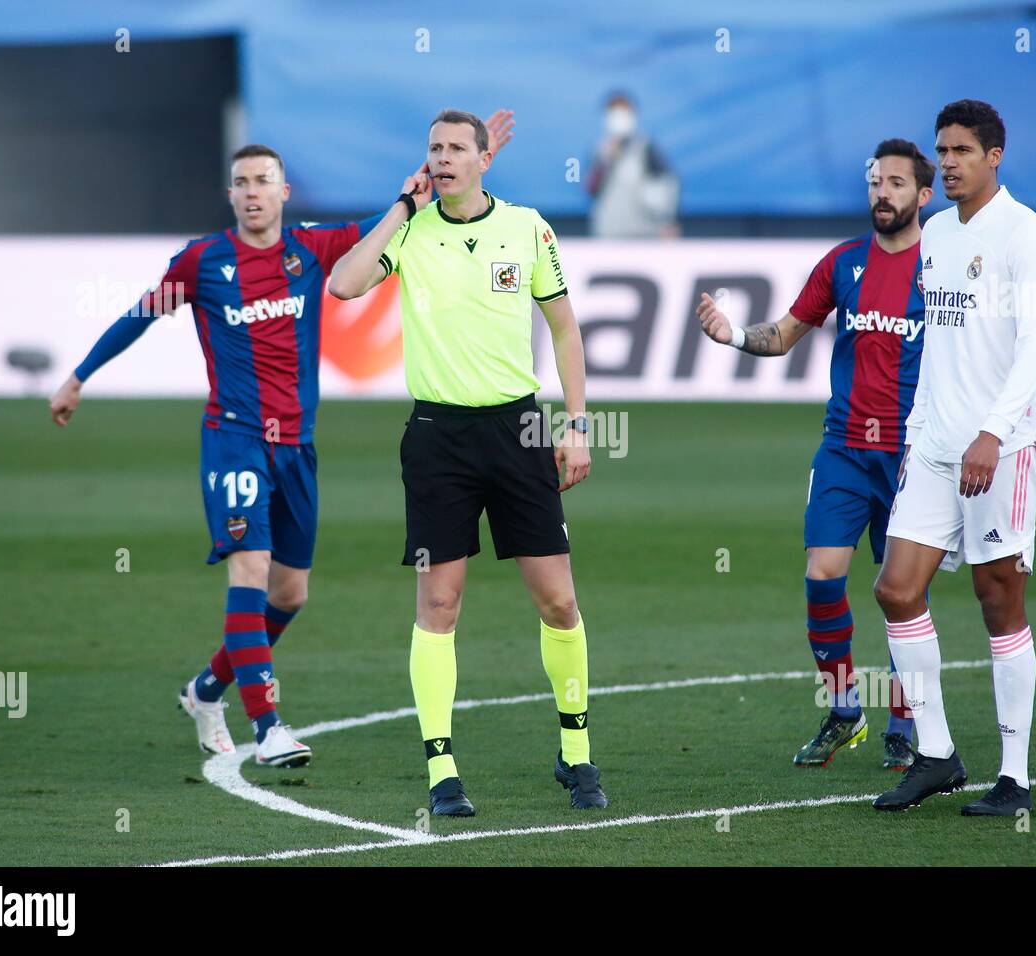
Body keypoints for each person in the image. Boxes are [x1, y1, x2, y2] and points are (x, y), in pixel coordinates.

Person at [48, 112, 516, 768]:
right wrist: (76, 378)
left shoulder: (310, 249)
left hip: (297, 446)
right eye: (241, 182)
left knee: (290, 594)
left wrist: (421, 192)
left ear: (283, 193)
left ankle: (206, 689)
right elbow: (140, 315)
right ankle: (267, 725)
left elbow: (380, 235)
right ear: (231, 194)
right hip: (234, 439)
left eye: (264, 181)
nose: (252, 192)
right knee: (251, 567)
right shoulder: (202, 260)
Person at [328, 109, 605, 815]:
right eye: (434, 148)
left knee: (558, 599)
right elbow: (344, 284)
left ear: (486, 158)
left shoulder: (528, 228)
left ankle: (576, 755)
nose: (443, 157)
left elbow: (565, 328)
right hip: (436, 439)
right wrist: (400, 206)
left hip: (519, 431)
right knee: (439, 603)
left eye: (457, 148)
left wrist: (576, 425)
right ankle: (442, 771)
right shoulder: (411, 232)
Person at [696, 139, 935, 772]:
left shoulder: (943, 269)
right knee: (823, 573)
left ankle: (904, 725)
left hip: (914, 456)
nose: (882, 193)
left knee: (899, 593)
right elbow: (785, 334)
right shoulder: (844, 262)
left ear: (924, 195)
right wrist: (735, 335)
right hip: (844, 448)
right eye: (875, 182)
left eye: (896, 184)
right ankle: (845, 709)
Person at [871, 100, 1036, 816]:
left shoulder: (1025, 234)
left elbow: (1034, 345)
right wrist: (923, 432)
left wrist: (992, 433)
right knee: (896, 589)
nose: (946, 162)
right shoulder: (938, 232)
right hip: (937, 446)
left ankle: (1015, 778)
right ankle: (938, 754)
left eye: (960, 152)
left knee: (997, 598)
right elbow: (941, 344)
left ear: (994, 156)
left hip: (1002, 448)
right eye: (941, 151)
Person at [587, 92, 679, 239]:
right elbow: (591, 190)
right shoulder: (599, 151)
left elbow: (667, 185)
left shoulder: (646, 148)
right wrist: (605, 161)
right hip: (609, 233)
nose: (618, 119)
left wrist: (668, 221)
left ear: (633, 115)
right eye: (614, 114)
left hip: (644, 233)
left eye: (623, 113)